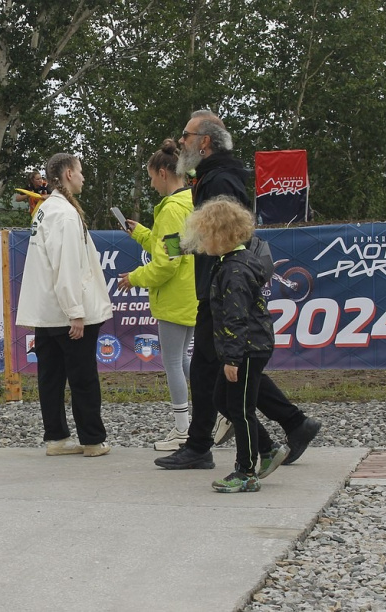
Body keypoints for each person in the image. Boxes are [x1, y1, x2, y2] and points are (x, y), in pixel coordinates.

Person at [155, 110, 321, 471]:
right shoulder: (212, 174)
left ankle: (209, 446)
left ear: (205, 142)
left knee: (209, 371)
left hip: (222, 287)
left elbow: (229, 232)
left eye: (186, 135)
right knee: (223, 370)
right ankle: (293, 423)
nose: (181, 141)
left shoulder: (221, 180)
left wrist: (184, 247)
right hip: (219, 284)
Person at [182, 196, 290, 491]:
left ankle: (246, 472)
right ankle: (267, 449)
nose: (201, 241)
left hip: (246, 351)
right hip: (244, 348)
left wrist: (232, 359)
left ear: (221, 235)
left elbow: (237, 318)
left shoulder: (235, 270)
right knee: (222, 400)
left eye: (205, 234)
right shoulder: (230, 263)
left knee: (241, 410)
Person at [16, 153, 112, 458]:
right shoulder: (65, 215)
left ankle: (56, 437)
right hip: (66, 311)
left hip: (48, 312)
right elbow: (67, 266)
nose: (83, 177)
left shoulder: (48, 210)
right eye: (81, 172)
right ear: (68, 173)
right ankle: (93, 440)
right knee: (83, 376)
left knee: (51, 377)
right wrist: (76, 312)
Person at [117, 139, 197, 451]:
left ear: (164, 173)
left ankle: (182, 429)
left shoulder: (170, 211)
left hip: (174, 299)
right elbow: (175, 249)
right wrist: (140, 233)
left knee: (173, 361)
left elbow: (165, 264)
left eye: (151, 176)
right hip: (190, 293)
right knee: (186, 359)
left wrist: (134, 278)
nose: (151, 183)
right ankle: (216, 411)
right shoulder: (189, 203)